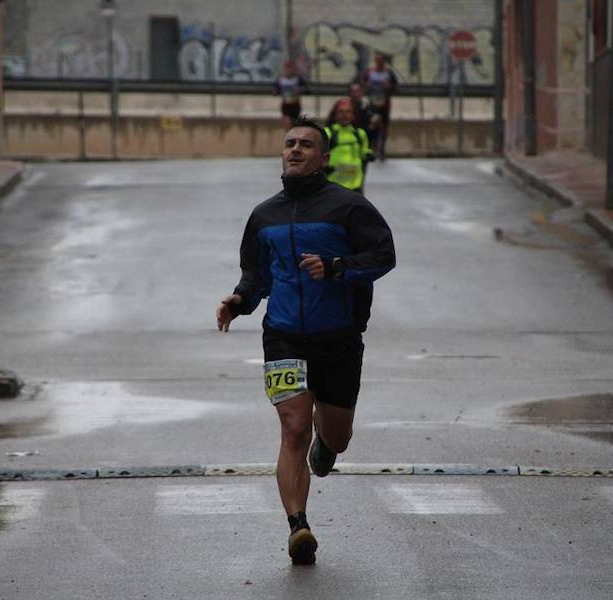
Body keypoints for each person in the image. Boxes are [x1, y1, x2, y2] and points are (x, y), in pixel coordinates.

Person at [216, 116, 395, 565]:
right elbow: (256, 274)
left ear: (324, 158)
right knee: (292, 428)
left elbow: (383, 256)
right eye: (290, 143)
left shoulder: (349, 207)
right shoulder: (265, 214)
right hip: (282, 336)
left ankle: (327, 443)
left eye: (306, 145)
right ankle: (299, 526)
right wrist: (239, 301)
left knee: (337, 435)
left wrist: (337, 266)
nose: (295, 150)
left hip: (338, 335)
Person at [324, 99, 373, 193]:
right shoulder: (327, 133)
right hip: (333, 185)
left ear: (353, 115)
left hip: (355, 185)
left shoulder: (360, 134)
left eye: (348, 112)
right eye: (341, 112)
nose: (345, 115)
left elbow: (364, 151)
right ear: (335, 115)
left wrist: (369, 154)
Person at [360, 53, 398, 160]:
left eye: (381, 60)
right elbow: (362, 84)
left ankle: (382, 149)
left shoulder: (389, 73)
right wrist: (367, 87)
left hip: (384, 104)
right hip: (372, 103)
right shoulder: (369, 72)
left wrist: (389, 87)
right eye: (377, 60)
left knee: (384, 126)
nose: (379, 63)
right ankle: (372, 147)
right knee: (371, 125)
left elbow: (396, 88)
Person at [273, 60, 309, 129]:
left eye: (290, 69)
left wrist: (299, 90)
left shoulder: (297, 79)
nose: (289, 71)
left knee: (295, 121)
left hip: (295, 104)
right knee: (287, 121)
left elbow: (306, 89)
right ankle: (288, 131)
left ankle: (294, 130)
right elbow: (276, 90)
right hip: (286, 104)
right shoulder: (281, 79)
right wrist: (276, 92)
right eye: (287, 69)